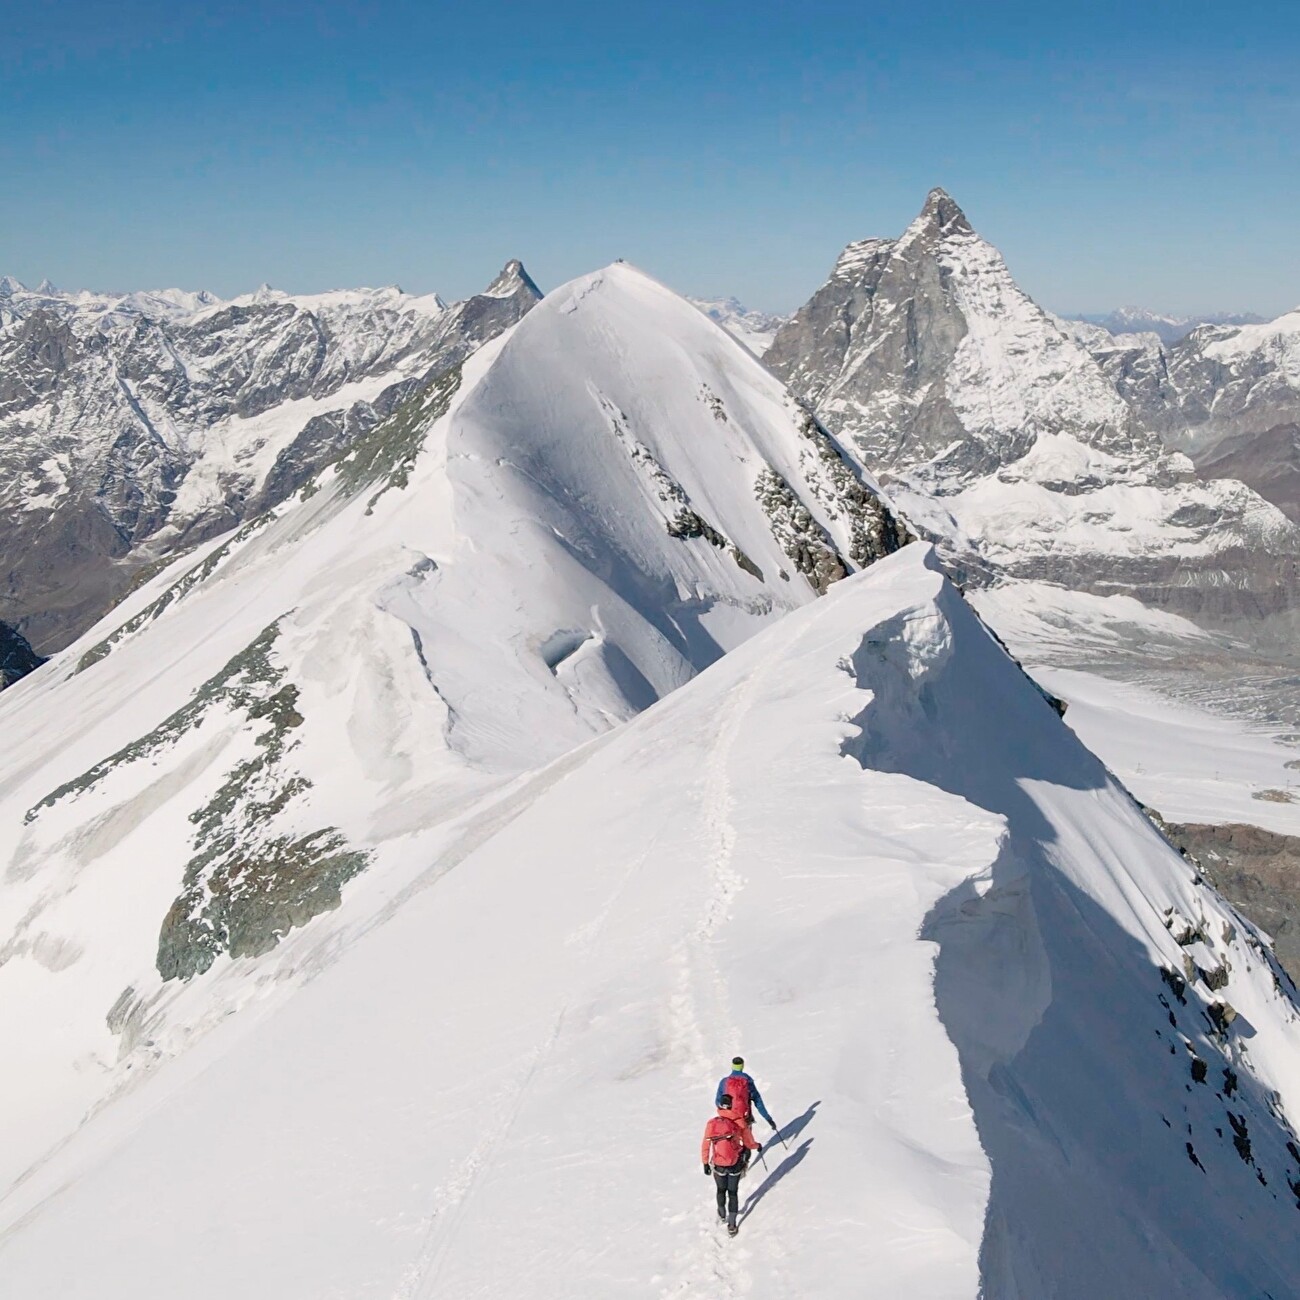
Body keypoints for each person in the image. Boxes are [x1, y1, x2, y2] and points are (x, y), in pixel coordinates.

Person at [701, 1094, 758, 1235]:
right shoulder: (739, 1122)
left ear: (719, 1106)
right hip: (735, 1163)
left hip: (719, 1163)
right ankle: (732, 1225)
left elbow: (706, 1143)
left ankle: (721, 1214)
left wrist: (705, 1162)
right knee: (733, 1192)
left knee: (721, 1190)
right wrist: (757, 1145)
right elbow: (748, 1142)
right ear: (731, 1105)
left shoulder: (712, 1123)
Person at [715, 1056, 777, 1148]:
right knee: (746, 1142)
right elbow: (758, 1101)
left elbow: (717, 1102)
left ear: (732, 1066)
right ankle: (745, 1158)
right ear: (742, 1066)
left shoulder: (724, 1082)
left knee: (730, 1142)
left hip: (728, 1118)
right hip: (744, 1117)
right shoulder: (747, 1081)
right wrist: (768, 1119)